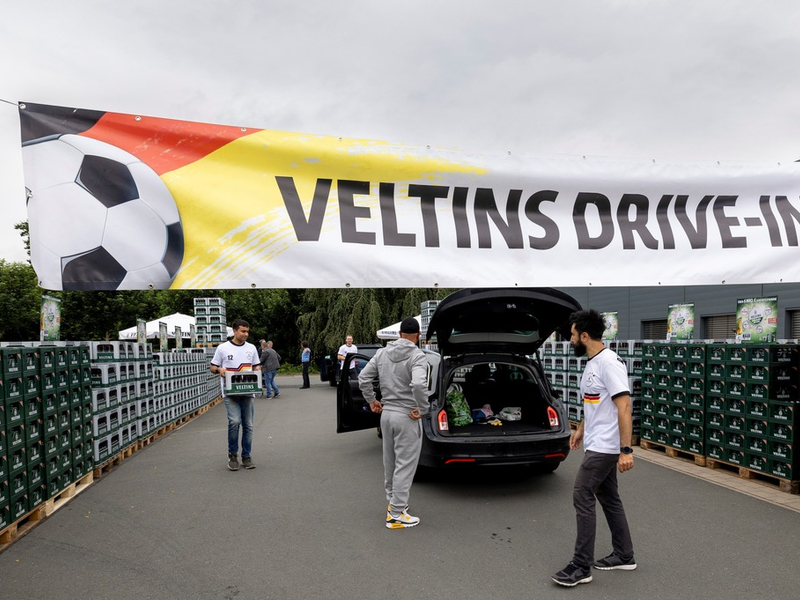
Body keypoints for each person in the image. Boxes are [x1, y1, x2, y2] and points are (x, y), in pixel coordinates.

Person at [552, 309, 636, 587]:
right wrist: (580, 429)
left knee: (581, 493)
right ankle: (624, 555)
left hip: (607, 446)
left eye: (573, 335)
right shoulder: (593, 362)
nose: (571, 340)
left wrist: (626, 450)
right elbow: (595, 403)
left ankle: (581, 565)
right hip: (595, 440)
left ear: (585, 335)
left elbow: (623, 405)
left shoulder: (609, 363)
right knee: (609, 497)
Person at [358, 317, 428, 529]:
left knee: (390, 463)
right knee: (405, 465)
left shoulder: (381, 353)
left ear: (399, 335)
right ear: (418, 336)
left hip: (386, 415)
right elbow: (418, 384)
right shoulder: (418, 355)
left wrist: (372, 400)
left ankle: (394, 504)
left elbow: (363, 377)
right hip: (407, 416)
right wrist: (423, 408)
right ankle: (396, 514)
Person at [210, 319, 261, 471]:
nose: (246, 334)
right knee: (234, 422)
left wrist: (258, 369)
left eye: (247, 331)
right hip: (230, 393)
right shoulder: (222, 348)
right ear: (234, 331)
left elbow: (256, 365)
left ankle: (246, 456)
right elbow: (213, 367)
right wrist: (219, 370)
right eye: (243, 331)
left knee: (248, 425)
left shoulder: (251, 348)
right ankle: (233, 455)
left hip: (248, 392)